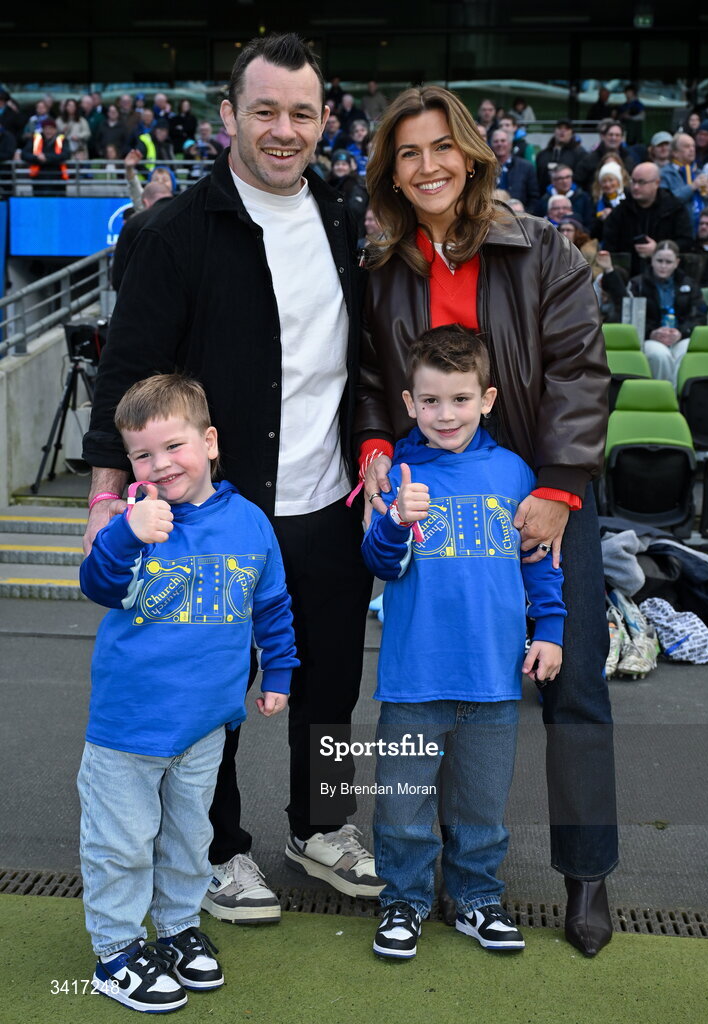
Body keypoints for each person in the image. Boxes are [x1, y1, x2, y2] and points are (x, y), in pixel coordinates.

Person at [82, 32, 381, 925]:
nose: (284, 129)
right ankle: (216, 852)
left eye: (301, 112)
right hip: (212, 515)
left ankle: (323, 824)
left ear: (324, 119)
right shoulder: (173, 232)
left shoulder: (344, 217)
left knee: (327, 682)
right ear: (229, 116)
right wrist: (107, 498)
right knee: (215, 690)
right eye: (265, 110)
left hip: (329, 507)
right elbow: (127, 371)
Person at [357, 84, 617, 958]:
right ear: (391, 171)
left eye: (442, 148)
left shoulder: (539, 247)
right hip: (434, 492)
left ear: (470, 153)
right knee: (427, 698)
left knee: (570, 681)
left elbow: (583, 368)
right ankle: (411, 878)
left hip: (540, 490)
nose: (427, 166)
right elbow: (368, 380)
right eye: (407, 153)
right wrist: (376, 455)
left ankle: (588, 876)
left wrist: (556, 484)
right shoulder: (385, 264)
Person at [78, 374, 297, 1013]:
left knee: (188, 838)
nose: (160, 464)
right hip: (129, 726)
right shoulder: (132, 520)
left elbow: (273, 607)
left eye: (173, 447)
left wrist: (280, 674)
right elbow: (97, 584)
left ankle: (175, 928)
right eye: (142, 455)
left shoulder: (251, 523)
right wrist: (123, 530)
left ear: (210, 441)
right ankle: (116, 951)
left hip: (206, 727)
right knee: (120, 842)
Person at [363, 326, 565, 960]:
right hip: (413, 677)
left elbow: (537, 561)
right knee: (402, 803)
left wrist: (550, 631)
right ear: (408, 400)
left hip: (493, 677)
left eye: (458, 399)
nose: (443, 415)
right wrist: (396, 521)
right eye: (429, 401)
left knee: (481, 804)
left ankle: (478, 899)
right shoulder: (395, 471)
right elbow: (379, 561)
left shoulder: (514, 473)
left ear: (488, 399)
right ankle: (403, 901)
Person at [629, 239, 707, 385]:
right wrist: (652, 332)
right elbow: (631, 318)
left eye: (668, 262)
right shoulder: (637, 284)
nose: (663, 266)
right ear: (652, 260)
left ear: (676, 263)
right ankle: (665, 397)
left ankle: (680, 399)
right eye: (659, 260)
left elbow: (699, 317)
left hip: (681, 336)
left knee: (685, 353)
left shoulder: (689, 284)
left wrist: (681, 332)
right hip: (650, 337)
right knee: (660, 355)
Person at [602, 161, 693, 276]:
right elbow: (610, 246)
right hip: (628, 275)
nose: (635, 187)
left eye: (641, 182)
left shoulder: (674, 209)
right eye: (633, 181)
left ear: (657, 183)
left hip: (667, 276)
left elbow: (686, 241)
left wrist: (659, 249)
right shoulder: (620, 211)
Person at [111, 179, 174, 290]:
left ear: (145, 202)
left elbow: (119, 275)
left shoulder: (133, 224)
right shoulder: (191, 217)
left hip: (146, 295)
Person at [660, 133, 708, 232]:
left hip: (701, 229)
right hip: (678, 229)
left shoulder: (699, 172)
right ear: (675, 152)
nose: (692, 149)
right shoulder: (665, 174)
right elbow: (668, 201)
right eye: (687, 146)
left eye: (693, 146)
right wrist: (692, 187)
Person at [21, 117, 71, 195]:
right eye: (46, 129)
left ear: (55, 129)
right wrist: (37, 158)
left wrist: (47, 158)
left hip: (57, 179)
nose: (48, 131)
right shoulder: (35, 139)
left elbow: (66, 154)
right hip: (39, 179)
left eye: (51, 129)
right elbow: (24, 154)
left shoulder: (62, 140)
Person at [491, 129, 539, 209]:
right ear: (491, 145)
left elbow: (534, 197)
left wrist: (525, 216)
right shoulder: (484, 168)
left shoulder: (526, 167)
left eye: (503, 141)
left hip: (520, 217)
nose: (499, 144)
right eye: (496, 141)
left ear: (510, 144)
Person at [535, 119, 586, 193]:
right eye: (559, 128)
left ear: (572, 133)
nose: (562, 131)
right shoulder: (542, 155)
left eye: (566, 129)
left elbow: (581, 179)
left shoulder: (580, 154)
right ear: (554, 131)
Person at [535, 164, 593, 230]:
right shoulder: (544, 200)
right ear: (553, 181)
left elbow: (589, 224)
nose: (565, 181)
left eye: (568, 177)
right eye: (560, 178)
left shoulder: (583, 198)